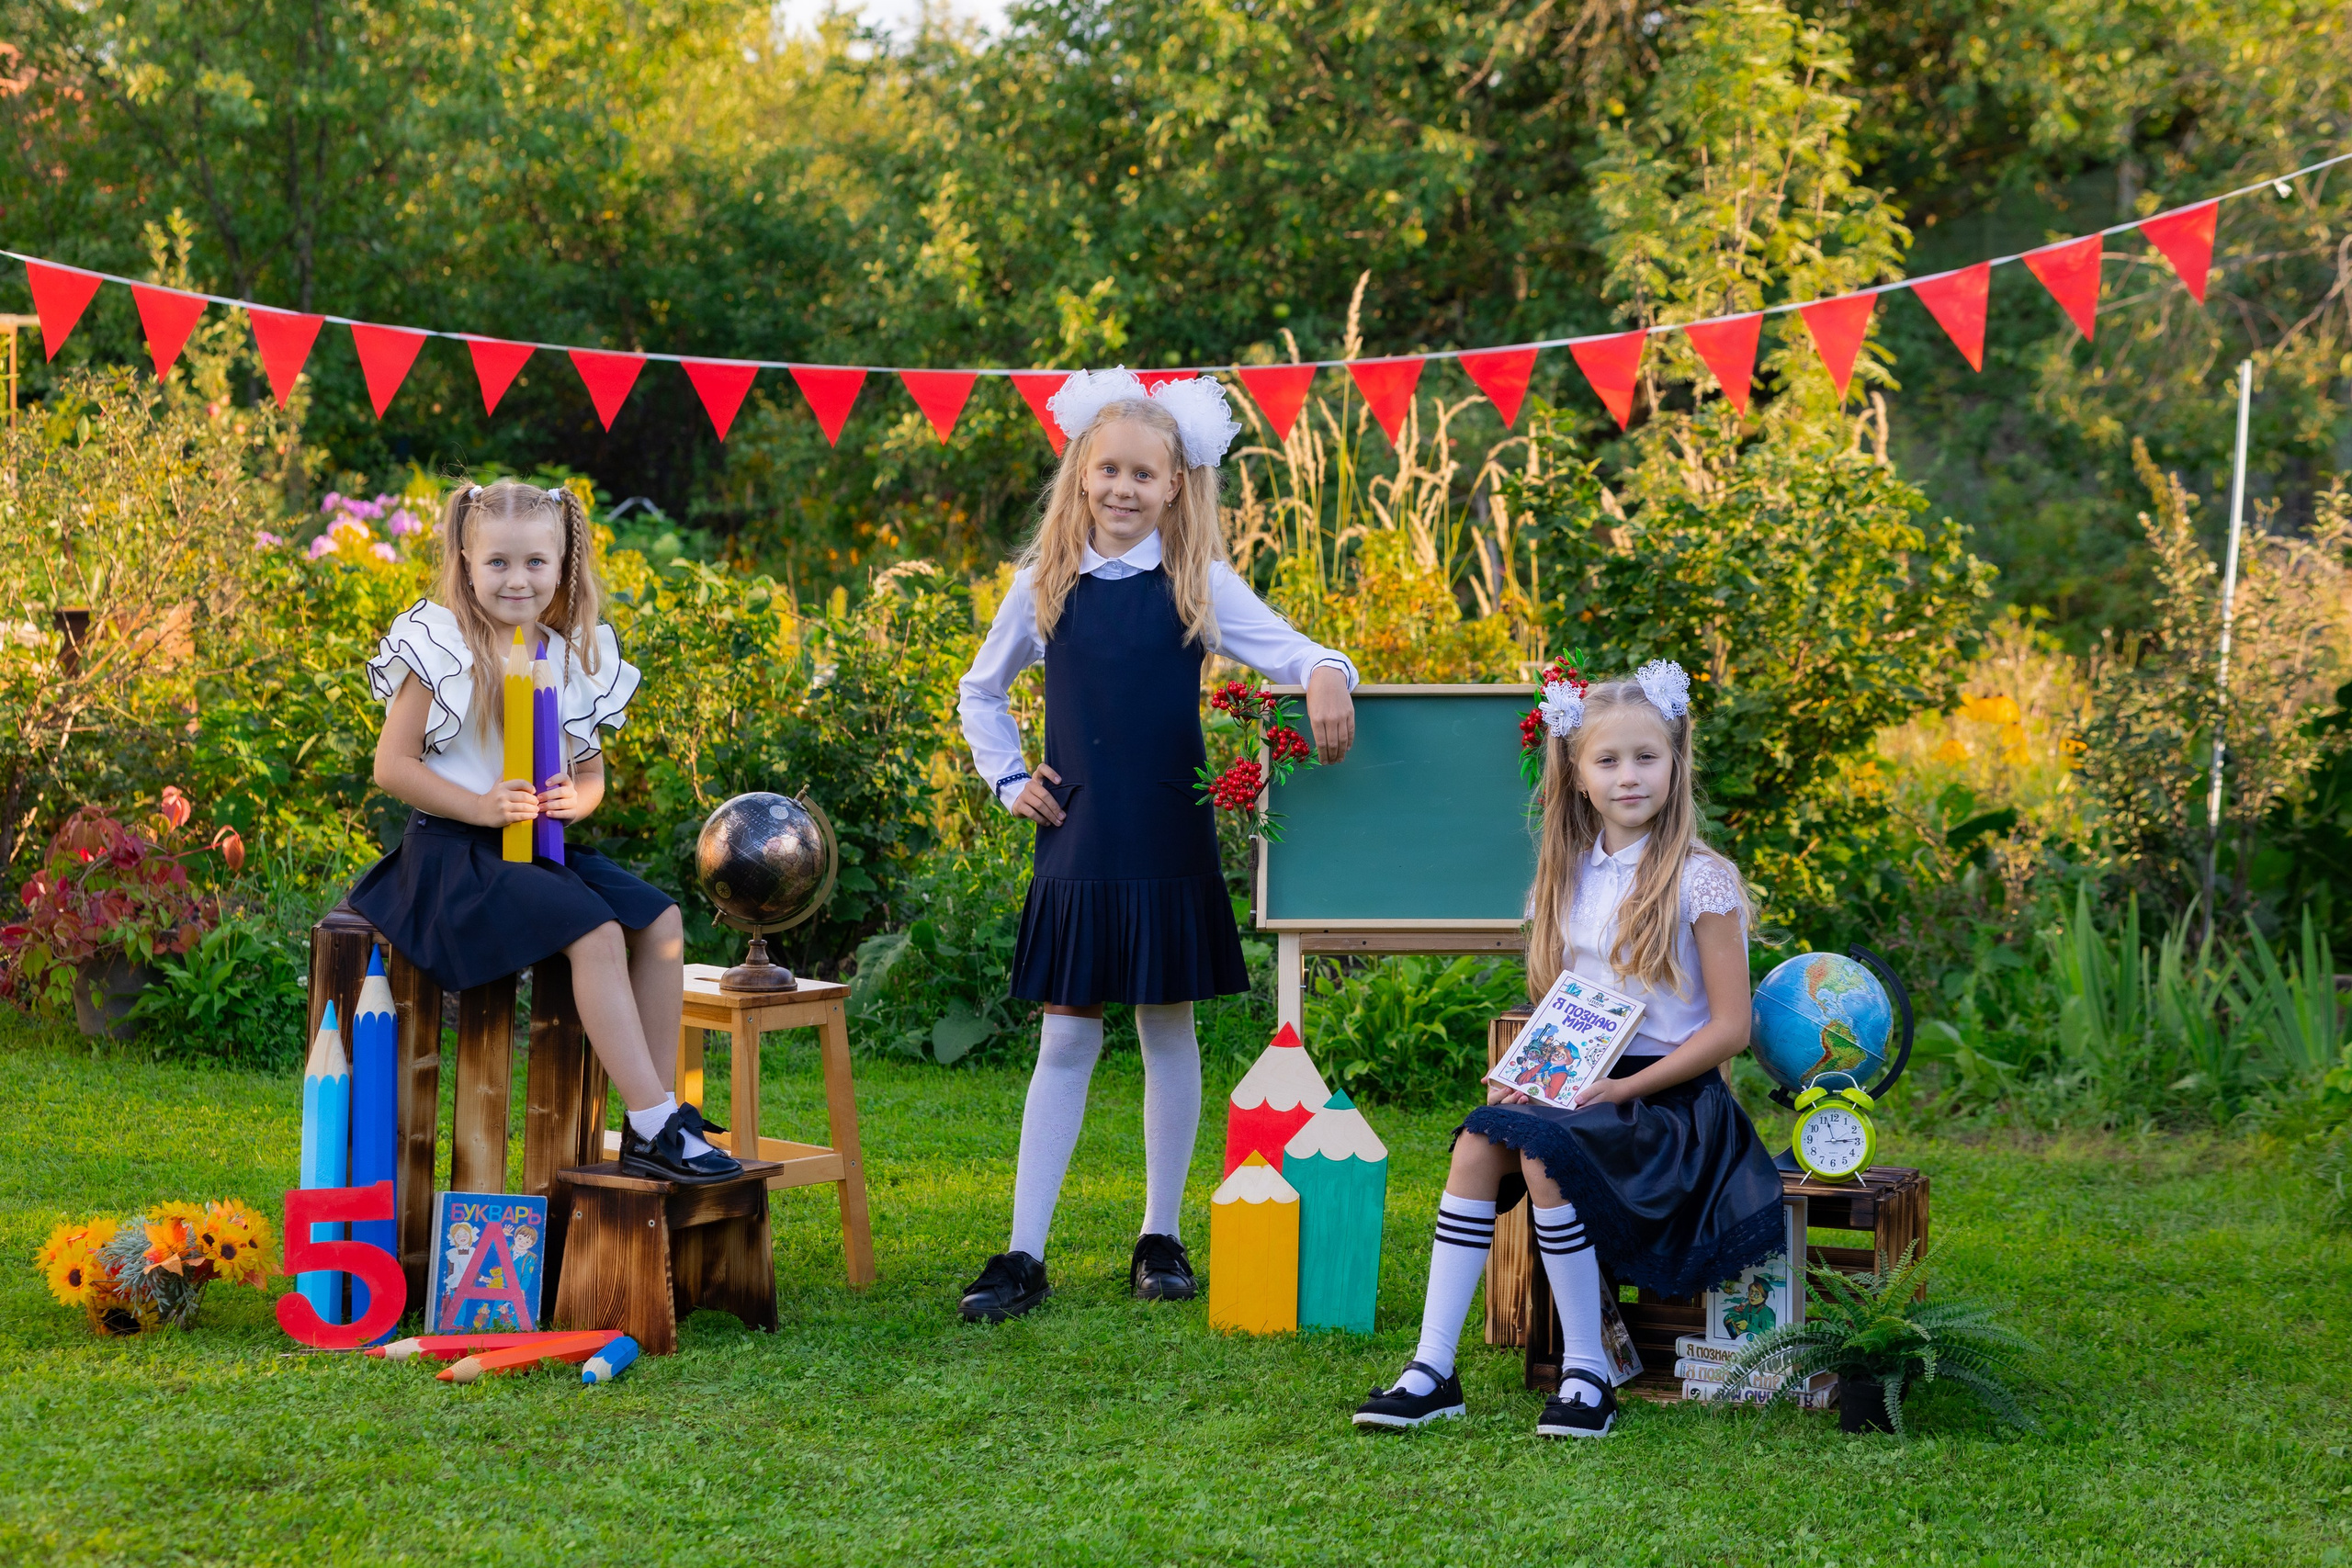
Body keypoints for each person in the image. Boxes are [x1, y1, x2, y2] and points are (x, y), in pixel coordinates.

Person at [954, 367, 1359, 1321]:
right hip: (1080, 837)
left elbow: (1295, 651)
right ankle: (1022, 1252)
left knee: (1166, 1028)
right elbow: (980, 690)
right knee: (1065, 1034)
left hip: (1168, 833)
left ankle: (1159, 1236)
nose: (1123, 489)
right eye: (1108, 472)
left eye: (1144, 474)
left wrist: (1331, 672)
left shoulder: (1197, 583)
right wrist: (1009, 778)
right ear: (1080, 475)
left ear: (1176, 484)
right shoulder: (1043, 584)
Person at [1352, 662, 1783, 1438]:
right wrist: (1531, 1070)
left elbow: (1730, 1029)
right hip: (1581, 1079)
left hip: (1669, 1102)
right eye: (1608, 760)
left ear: (1676, 762)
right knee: (1481, 1140)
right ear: (1578, 774)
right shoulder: (1570, 873)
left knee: (1547, 1153)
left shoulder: (1702, 880)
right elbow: (1569, 1007)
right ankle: (1431, 1366)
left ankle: (1588, 1372)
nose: (1629, 776)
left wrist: (1622, 1090)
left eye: (1646, 757)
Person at [351, 479, 741, 1186]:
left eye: (536, 562)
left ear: (562, 564)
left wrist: (574, 798)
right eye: (497, 562)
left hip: (536, 843)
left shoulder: (567, 655)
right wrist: (480, 806)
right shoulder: (440, 645)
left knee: (661, 921)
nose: (517, 578)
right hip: (451, 852)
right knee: (593, 933)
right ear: (466, 560)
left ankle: (659, 1117)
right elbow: (391, 766)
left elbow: (591, 774)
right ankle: (653, 1120)